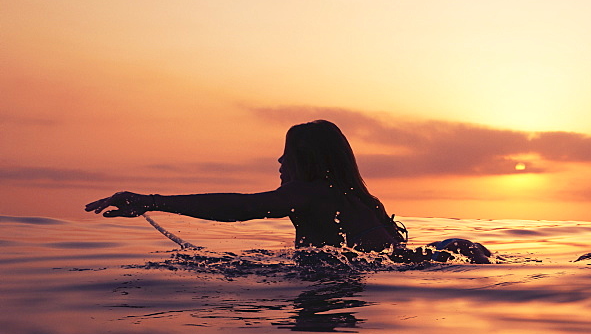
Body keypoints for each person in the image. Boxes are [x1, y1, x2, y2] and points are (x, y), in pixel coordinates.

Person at [85, 120, 492, 263]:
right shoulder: (359, 199)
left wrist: (152, 201)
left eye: (287, 156)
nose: (279, 164)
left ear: (310, 162)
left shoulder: (313, 194)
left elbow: (243, 208)